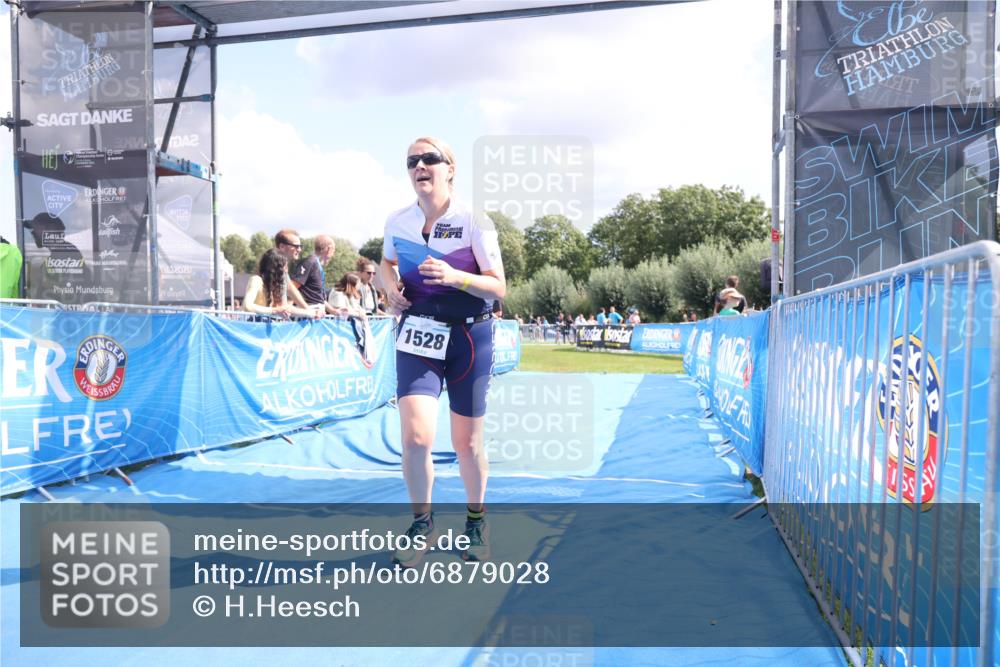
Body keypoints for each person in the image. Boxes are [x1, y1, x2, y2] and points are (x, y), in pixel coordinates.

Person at [380, 136, 505, 566]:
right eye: (411, 160)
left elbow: (498, 285)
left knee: (466, 444)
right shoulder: (397, 221)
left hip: (470, 337)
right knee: (416, 436)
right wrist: (389, 288)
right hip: (417, 334)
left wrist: (455, 276)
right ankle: (422, 524)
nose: (419, 165)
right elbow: (386, 263)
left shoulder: (474, 220)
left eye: (429, 158)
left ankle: (475, 519)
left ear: (449, 169)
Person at [243, 249, 321, 319]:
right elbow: (247, 306)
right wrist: (274, 310)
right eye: (285, 268)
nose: (286, 271)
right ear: (276, 269)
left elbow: (285, 309)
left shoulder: (276, 286)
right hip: (253, 326)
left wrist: (312, 313)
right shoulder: (256, 280)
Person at [291, 234, 339, 315]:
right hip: (307, 316)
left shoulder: (316, 264)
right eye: (333, 250)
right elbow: (292, 288)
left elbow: (318, 298)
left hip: (316, 313)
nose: (333, 255)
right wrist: (307, 310)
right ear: (329, 249)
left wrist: (334, 311)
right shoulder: (310, 262)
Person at [273, 229, 313, 311]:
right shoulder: (273, 266)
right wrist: (309, 312)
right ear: (282, 247)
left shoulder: (282, 266)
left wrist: (308, 310)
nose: (299, 250)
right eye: (296, 246)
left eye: (300, 246)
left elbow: (290, 289)